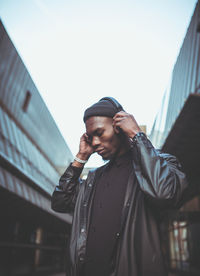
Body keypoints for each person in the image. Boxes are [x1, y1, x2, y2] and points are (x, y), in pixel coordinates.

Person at [51, 97, 188, 276]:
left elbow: (165, 193)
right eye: (91, 137)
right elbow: (60, 202)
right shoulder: (93, 179)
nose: (95, 142)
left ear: (120, 128)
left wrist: (137, 136)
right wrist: (81, 157)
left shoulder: (159, 164)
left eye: (100, 133)